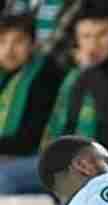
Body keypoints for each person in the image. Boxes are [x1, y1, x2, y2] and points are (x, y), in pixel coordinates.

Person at [0, 2, 108, 193]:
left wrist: (92, 71)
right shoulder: (75, 77)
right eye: (86, 37)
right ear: (77, 40)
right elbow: (66, 130)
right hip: (78, 160)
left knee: (5, 178)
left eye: (101, 35)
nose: (93, 45)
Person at [0, 12, 65, 158]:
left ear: (33, 44)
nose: (9, 50)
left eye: (19, 41)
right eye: (2, 41)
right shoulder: (3, 73)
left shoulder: (45, 74)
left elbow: (29, 139)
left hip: (34, 155)